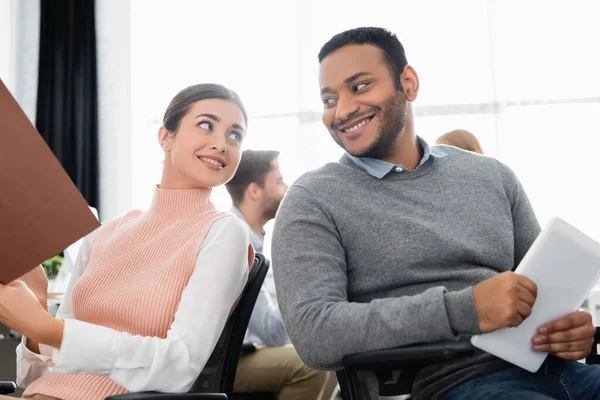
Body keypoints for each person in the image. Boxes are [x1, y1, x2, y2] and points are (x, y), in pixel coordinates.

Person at [271, 27, 600, 400]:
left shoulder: (492, 176)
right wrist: (465, 309)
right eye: (329, 99)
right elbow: (316, 333)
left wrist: (570, 330)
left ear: (408, 83)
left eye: (359, 87)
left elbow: (541, 294)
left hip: (561, 371)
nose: (342, 111)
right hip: (450, 385)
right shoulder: (312, 198)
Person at [0, 84, 255, 400]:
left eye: (235, 136)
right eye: (207, 125)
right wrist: (37, 309)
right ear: (165, 136)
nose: (221, 144)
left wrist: (46, 328)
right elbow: (38, 376)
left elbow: (181, 364)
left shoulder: (223, 233)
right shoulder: (106, 232)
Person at [225, 150, 337, 400]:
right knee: (314, 365)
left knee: (329, 359)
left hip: (242, 353)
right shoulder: (235, 239)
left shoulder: (251, 238)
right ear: (254, 191)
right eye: (278, 181)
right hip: (223, 363)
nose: (287, 189)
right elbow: (273, 332)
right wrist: (310, 281)